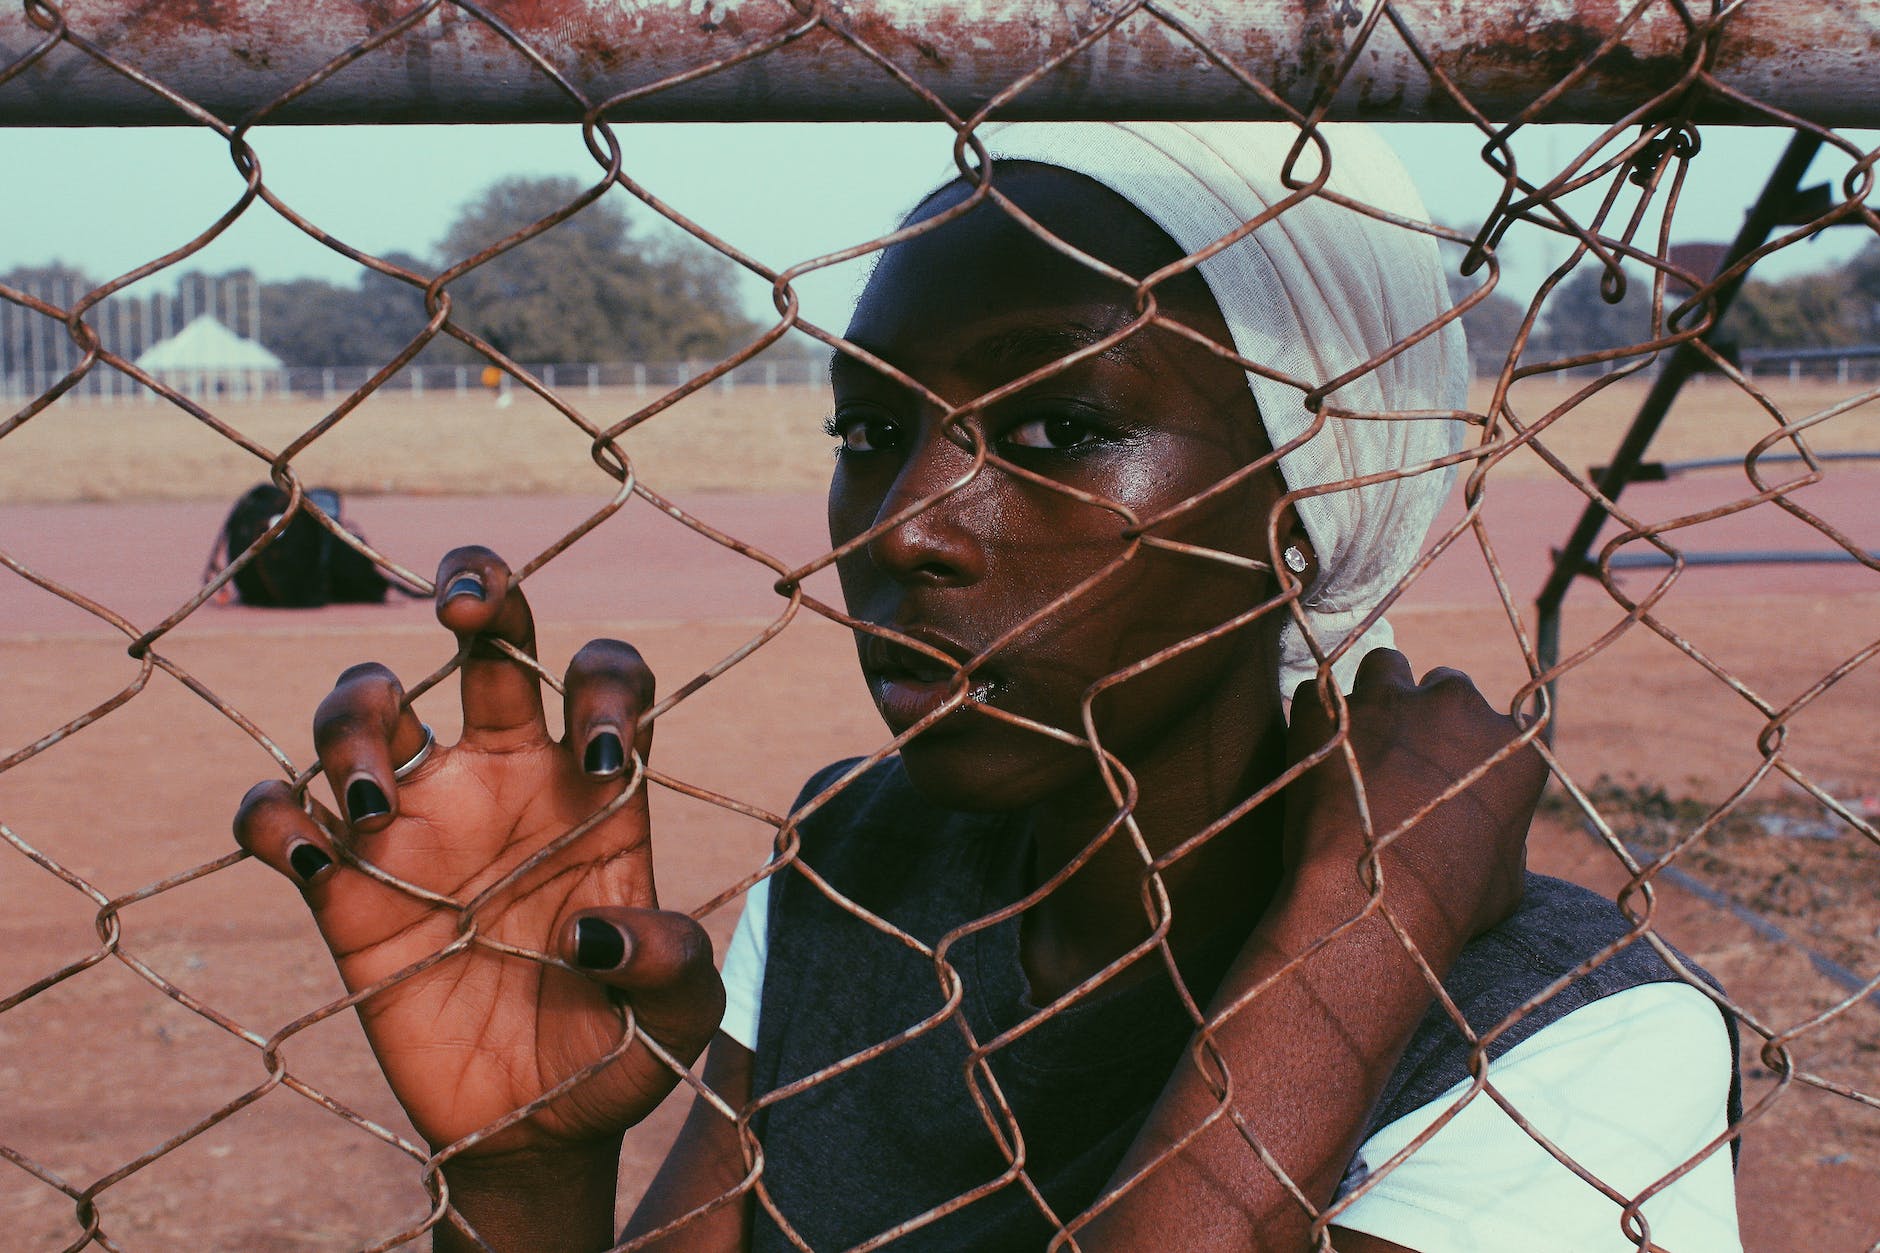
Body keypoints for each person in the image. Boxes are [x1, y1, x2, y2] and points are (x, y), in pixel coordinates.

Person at [232, 123, 1740, 1251]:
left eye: (1057, 426)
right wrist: (519, 1175)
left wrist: (1360, 937)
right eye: (870, 426)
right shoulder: (860, 871)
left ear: (1306, 502)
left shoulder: (1566, 1038)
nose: (904, 524)